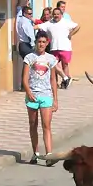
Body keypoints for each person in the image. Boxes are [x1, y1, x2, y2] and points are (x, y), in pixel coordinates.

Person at [22, 30, 59, 167]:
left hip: (46, 95)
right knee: (33, 124)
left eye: (44, 42)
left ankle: (49, 155)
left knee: (46, 125)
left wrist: (55, 99)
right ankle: (36, 152)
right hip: (32, 96)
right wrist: (28, 91)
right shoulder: (29, 58)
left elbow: (53, 80)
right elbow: (25, 79)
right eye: (39, 42)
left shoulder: (51, 59)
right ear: (35, 42)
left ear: (47, 43)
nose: (41, 44)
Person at [35, 8, 80, 89]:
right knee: (54, 64)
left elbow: (77, 26)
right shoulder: (49, 23)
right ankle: (62, 79)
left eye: (57, 14)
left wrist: (71, 34)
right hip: (54, 47)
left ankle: (65, 82)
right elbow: (38, 26)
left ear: (61, 15)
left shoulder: (66, 22)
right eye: (54, 14)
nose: (56, 16)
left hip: (65, 47)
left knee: (65, 65)